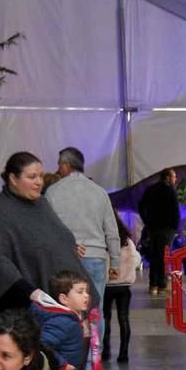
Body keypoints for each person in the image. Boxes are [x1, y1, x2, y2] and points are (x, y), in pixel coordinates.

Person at [0, 151, 83, 316]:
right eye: (32, 177)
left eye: (41, 176)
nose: (39, 182)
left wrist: (68, 249)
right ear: (13, 179)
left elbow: (56, 236)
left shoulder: (41, 205)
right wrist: (32, 293)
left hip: (54, 299)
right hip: (16, 308)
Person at [45, 147, 119, 347]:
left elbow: (48, 229)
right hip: (96, 258)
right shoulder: (100, 192)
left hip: (65, 258)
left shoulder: (52, 192)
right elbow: (111, 231)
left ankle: (70, 355)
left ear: (65, 166)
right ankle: (92, 360)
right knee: (96, 309)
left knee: (64, 308)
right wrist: (116, 263)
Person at [102, 211, 139, 363]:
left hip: (107, 285)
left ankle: (106, 351)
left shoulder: (102, 239)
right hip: (124, 286)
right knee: (124, 318)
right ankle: (123, 354)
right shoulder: (127, 241)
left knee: (105, 318)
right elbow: (136, 259)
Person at [138, 167, 179, 295]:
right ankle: (161, 285)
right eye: (173, 177)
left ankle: (153, 285)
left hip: (153, 229)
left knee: (154, 256)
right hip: (167, 230)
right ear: (167, 178)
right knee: (163, 257)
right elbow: (175, 211)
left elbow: (141, 205)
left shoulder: (151, 190)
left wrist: (147, 221)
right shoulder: (170, 191)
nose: (175, 179)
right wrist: (174, 227)